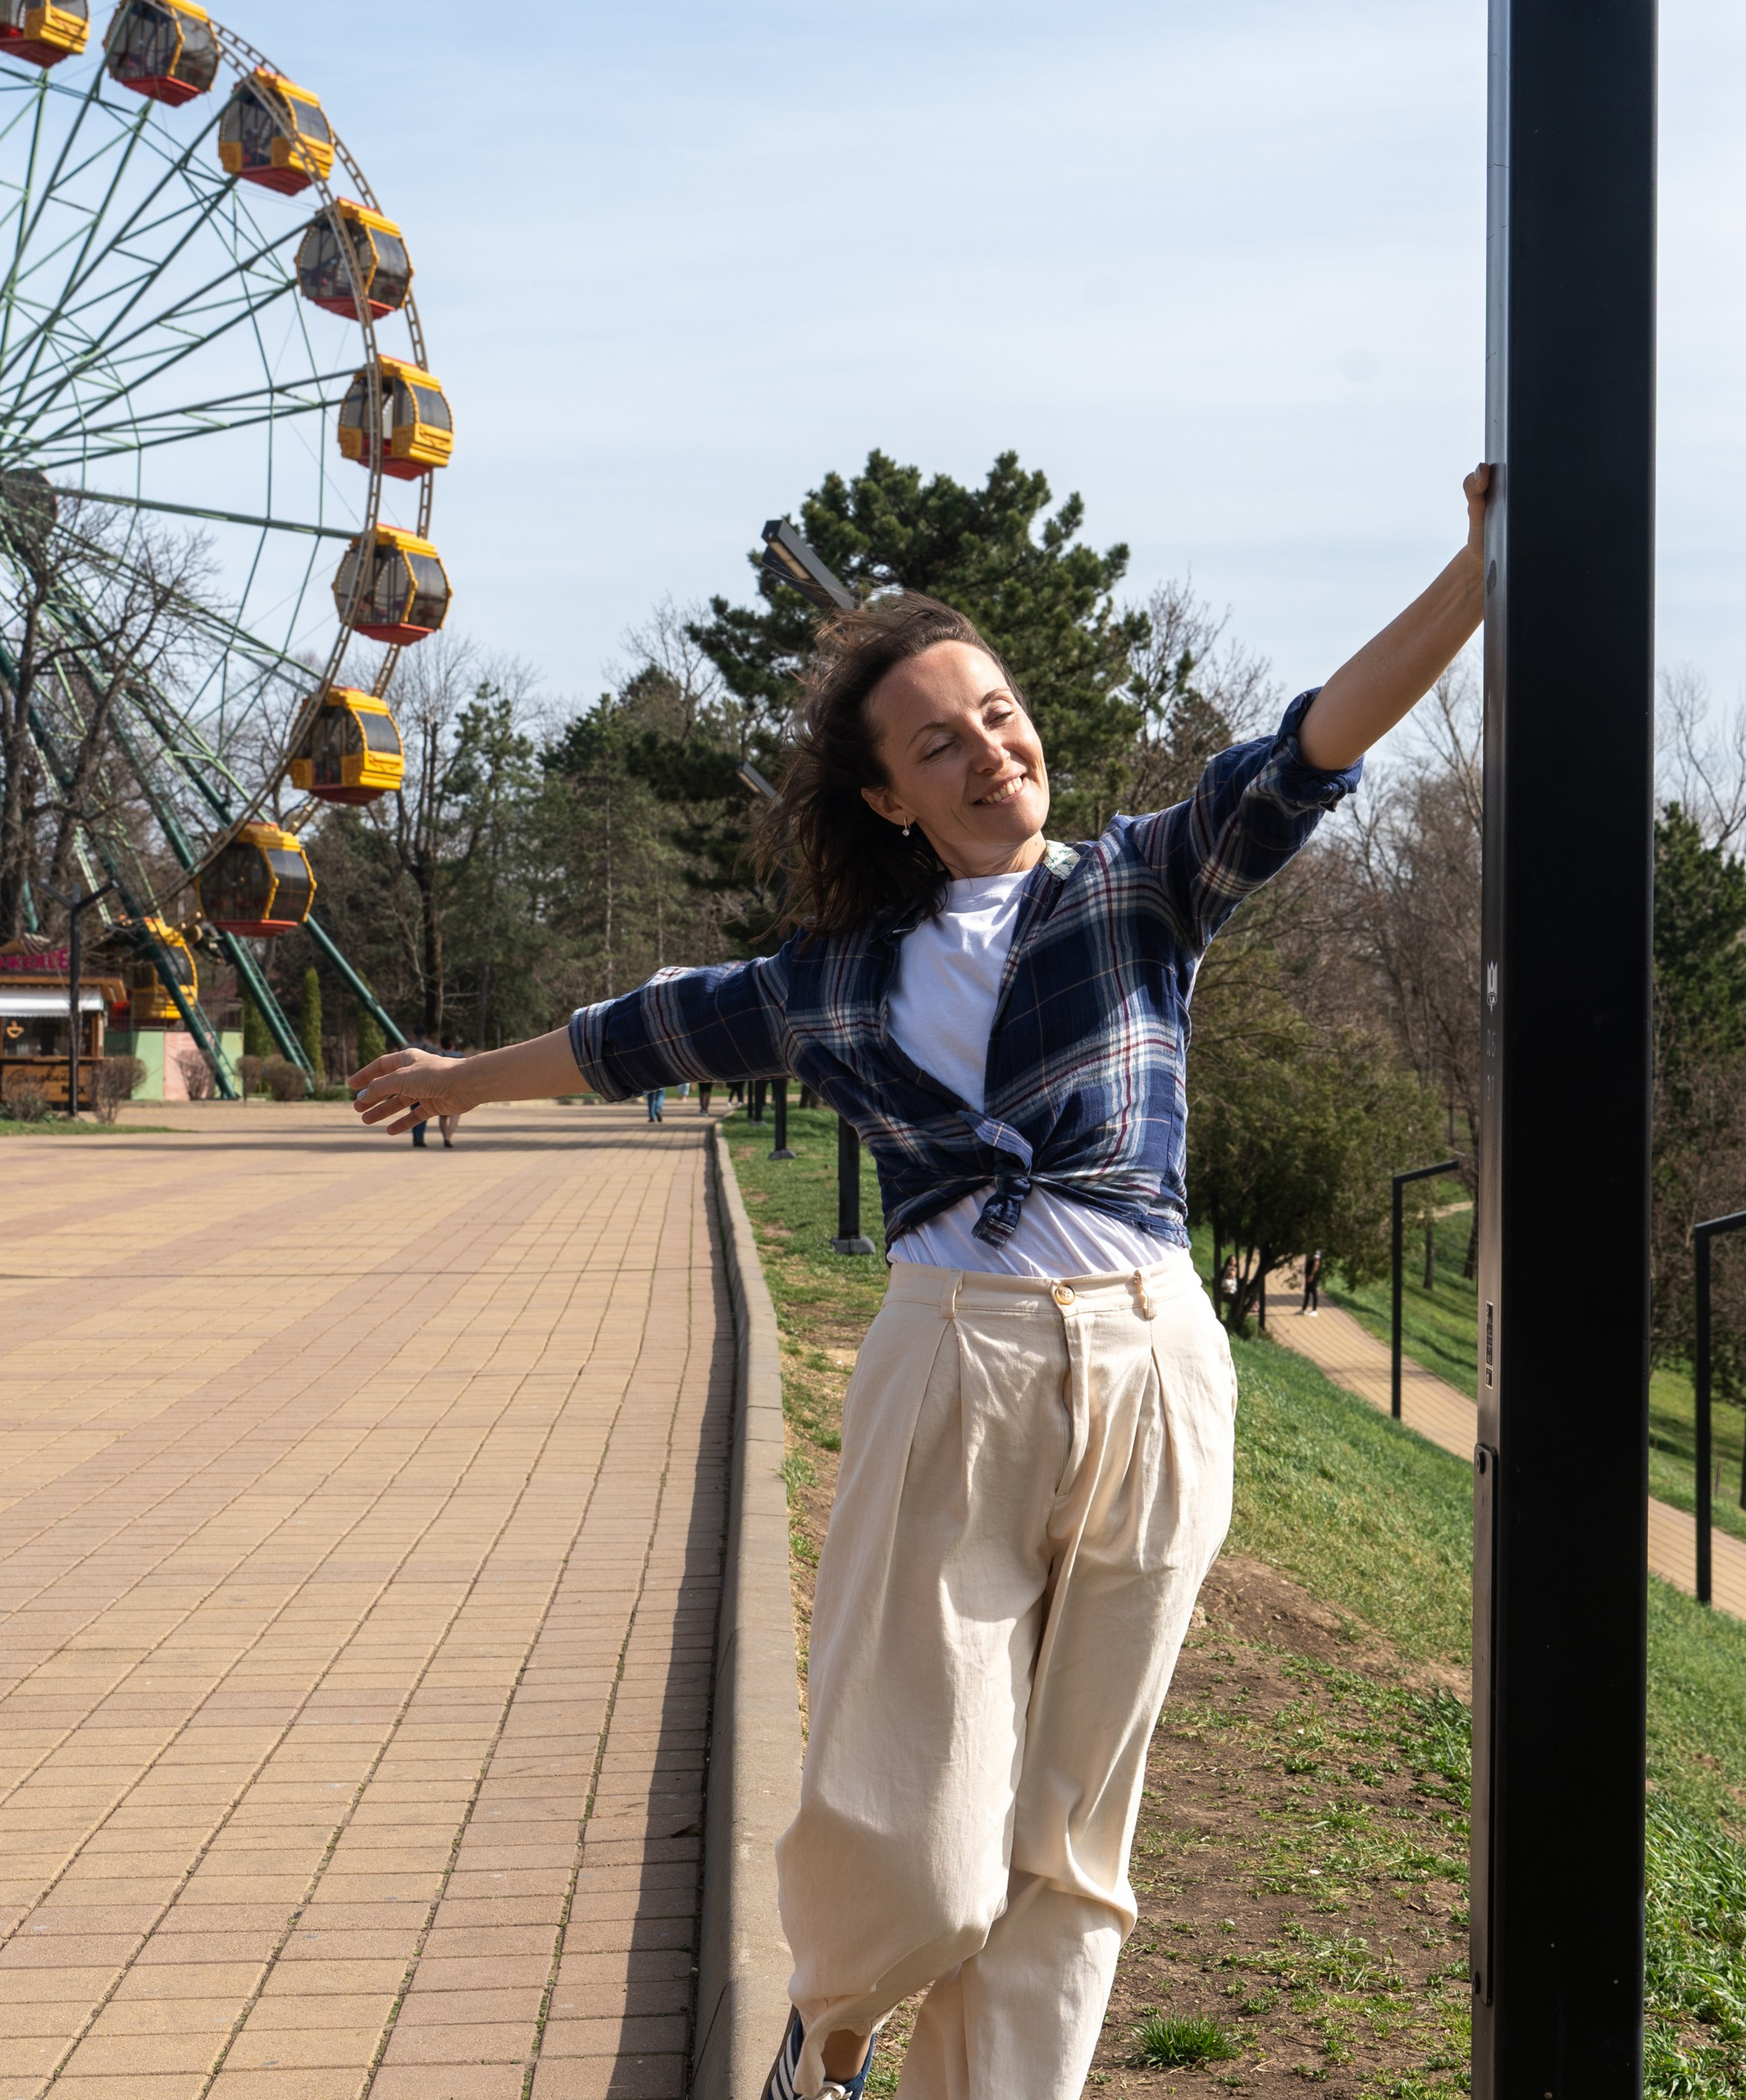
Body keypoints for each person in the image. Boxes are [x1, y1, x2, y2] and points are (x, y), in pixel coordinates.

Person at [348, 467, 1488, 2100]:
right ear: (887, 796)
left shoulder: (1140, 889)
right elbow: (632, 1035)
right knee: (923, 1829)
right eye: (938, 740)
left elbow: (1310, 745)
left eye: (1000, 716)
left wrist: (1470, 575)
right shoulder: (829, 979)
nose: (988, 751)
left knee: (1072, 1845)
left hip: (1157, 1367)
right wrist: (461, 1076)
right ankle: (829, 2022)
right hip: (953, 1365)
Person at [1301, 1247, 1324, 1316]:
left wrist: (1312, 1275)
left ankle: (1314, 1310)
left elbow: (1316, 1267)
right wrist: (1308, 1276)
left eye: (1318, 1258)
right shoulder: (1311, 1261)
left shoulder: (1317, 1263)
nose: (1316, 1259)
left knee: (1313, 1293)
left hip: (1313, 1279)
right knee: (1307, 1292)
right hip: (1308, 1278)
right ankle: (1304, 1309)